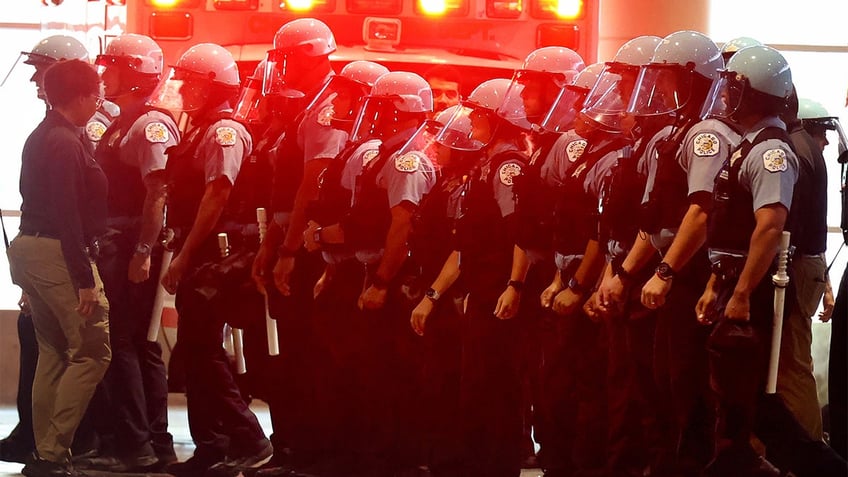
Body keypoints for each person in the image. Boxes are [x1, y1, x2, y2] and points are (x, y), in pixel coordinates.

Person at [0, 34, 116, 466]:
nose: (101, 100)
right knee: (91, 352)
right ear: (83, 97)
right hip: (57, 252)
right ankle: (53, 451)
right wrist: (85, 279)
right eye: (98, 94)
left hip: (31, 251)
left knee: (51, 352)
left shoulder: (44, 134)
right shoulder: (66, 141)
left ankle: (43, 449)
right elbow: (69, 214)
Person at [157, 43, 272, 477]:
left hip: (212, 254)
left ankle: (249, 438)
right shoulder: (200, 129)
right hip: (197, 250)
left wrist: (185, 256)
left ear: (208, 89)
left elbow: (218, 194)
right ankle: (212, 447)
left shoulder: (225, 132)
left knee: (201, 350)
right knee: (194, 351)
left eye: (191, 84)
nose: (184, 91)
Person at [695, 45, 798, 477]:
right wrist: (715, 287)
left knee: (743, 404)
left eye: (734, 88)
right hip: (732, 282)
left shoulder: (771, 151)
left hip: (749, 290)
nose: (723, 96)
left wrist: (739, 293)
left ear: (754, 95)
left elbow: (769, 228)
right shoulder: (749, 144)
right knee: (725, 399)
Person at [82, 33, 179, 472]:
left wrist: (143, 250)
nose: (105, 75)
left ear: (136, 74)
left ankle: (138, 445)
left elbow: (157, 191)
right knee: (131, 344)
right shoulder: (125, 119)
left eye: (113, 67)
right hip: (120, 245)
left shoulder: (149, 124)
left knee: (128, 344)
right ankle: (148, 442)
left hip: (132, 247)